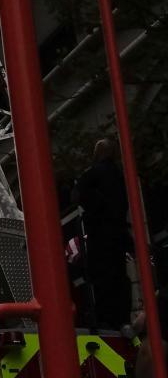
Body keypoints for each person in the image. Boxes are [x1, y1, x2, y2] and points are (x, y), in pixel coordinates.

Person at [73, 137, 133, 329]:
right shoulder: (120, 175)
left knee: (102, 277)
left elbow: (77, 195)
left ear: (97, 154)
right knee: (119, 276)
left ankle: (106, 319)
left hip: (100, 235)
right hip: (118, 234)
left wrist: (96, 209)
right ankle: (122, 319)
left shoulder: (92, 175)